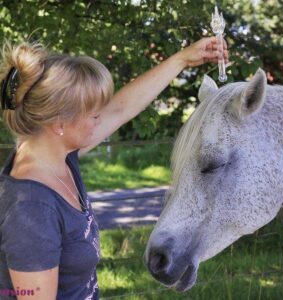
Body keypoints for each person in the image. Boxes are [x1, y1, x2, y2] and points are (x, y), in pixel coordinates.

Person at [0, 36, 228, 300]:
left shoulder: (54, 155)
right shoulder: (32, 208)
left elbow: (120, 109)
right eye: (94, 115)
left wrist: (184, 59)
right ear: (60, 123)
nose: (101, 120)